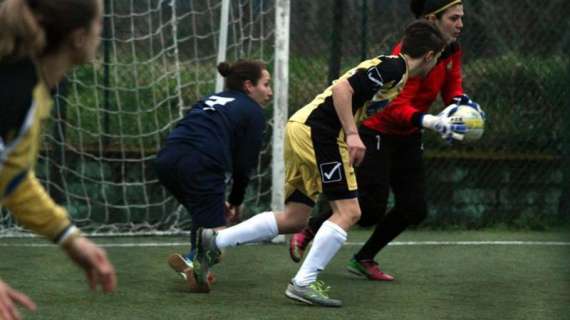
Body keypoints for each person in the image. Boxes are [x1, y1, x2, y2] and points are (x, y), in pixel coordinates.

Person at [192, 20, 461, 306]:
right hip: (320, 133)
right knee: (349, 211)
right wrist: (353, 134)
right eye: (437, 59)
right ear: (430, 56)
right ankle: (303, 283)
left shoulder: (397, 72)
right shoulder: (394, 67)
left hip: (303, 127)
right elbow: (342, 90)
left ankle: (214, 241)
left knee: (294, 219)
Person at [289, 0, 483, 282]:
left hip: (409, 135)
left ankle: (364, 258)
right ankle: (309, 230)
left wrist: (462, 107)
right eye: (454, 18)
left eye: (461, 18)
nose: (460, 25)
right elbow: (394, 107)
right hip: (377, 132)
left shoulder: (450, 50)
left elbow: (453, 85)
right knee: (367, 208)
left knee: (414, 208)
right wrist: (430, 121)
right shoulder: (406, 58)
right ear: (432, 18)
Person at [0, 0, 117, 318]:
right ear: (78, 37)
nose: (100, 34)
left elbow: (12, 178)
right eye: (99, 25)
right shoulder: (13, 91)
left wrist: (69, 238)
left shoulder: (34, 87)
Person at [155, 60, 272, 288]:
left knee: (205, 223)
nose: (270, 91)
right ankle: (192, 261)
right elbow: (244, 165)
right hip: (201, 164)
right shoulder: (253, 113)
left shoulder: (212, 98)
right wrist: (236, 200)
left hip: (167, 159)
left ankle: (198, 273)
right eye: (266, 84)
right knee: (218, 241)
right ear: (249, 86)